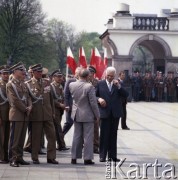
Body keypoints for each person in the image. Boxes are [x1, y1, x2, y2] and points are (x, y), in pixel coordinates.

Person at [25, 63, 58, 164]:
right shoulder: (28, 84)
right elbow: (28, 99)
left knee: (52, 136)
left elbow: (51, 99)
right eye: (38, 72)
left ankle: (51, 157)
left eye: (41, 71)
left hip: (47, 113)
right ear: (33, 73)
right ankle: (35, 157)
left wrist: (52, 111)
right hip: (36, 114)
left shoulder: (47, 82)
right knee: (36, 137)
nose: (40, 73)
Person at [96, 67, 129, 162]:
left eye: (111, 76)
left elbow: (126, 94)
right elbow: (94, 95)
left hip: (115, 113)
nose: (109, 77)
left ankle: (112, 156)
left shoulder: (117, 84)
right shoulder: (100, 84)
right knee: (104, 135)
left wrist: (119, 86)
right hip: (104, 113)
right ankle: (102, 156)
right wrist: (99, 99)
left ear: (114, 76)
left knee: (113, 135)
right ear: (106, 74)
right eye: (108, 75)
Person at [69, 68, 100, 165]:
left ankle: (73, 157)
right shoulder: (89, 86)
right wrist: (97, 115)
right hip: (87, 114)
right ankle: (87, 158)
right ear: (87, 76)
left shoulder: (71, 85)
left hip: (76, 113)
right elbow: (93, 103)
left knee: (76, 136)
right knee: (88, 137)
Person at [6, 62, 32, 167]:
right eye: (21, 70)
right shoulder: (10, 84)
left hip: (25, 114)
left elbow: (28, 97)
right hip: (17, 114)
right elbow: (14, 100)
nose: (23, 72)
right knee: (14, 139)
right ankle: (13, 158)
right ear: (15, 71)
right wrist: (25, 108)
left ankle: (19, 157)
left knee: (21, 138)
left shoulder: (23, 84)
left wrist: (30, 106)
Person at [50, 70, 69, 151]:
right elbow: (51, 100)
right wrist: (60, 105)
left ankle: (59, 144)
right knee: (58, 127)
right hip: (54, 109)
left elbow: (62, 97)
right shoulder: (51, 86)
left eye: (61, 76)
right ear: (54, 77)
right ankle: (61, 145)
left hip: (60, 110)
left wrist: (64, 105)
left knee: (57, 127)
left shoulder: (60, 86)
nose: (60, 78)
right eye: (58, 77)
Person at [63, 67, 82, 135]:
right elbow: (65, 94)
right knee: (69, 122)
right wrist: (67, 105)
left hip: (81, 107)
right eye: (77, 73)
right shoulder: (70, 81)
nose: (78, 75)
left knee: (79, 125)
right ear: (75, 73)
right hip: (71, 106)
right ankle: (60, 137)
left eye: (80, 73)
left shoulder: (84, 81)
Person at [87, 65, 100, 154]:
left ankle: (95, 146)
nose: (90, 74)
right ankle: (85, 145)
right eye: (88, 72)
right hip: (85, 108)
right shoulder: (83, 82)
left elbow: (99, 94)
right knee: (85, 128)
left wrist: (97, 99)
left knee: (95, 128)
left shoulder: (97, 83)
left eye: (91, 73)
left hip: (95, 108)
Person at [0, 65, 10, 164]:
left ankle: (6, 156)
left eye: (7, 73)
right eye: (4, 74)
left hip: (9, 114)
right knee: (1, 137)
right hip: (2, 115)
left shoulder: (9, 84)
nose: (6, 75)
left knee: (7, 137)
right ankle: (1, 157)